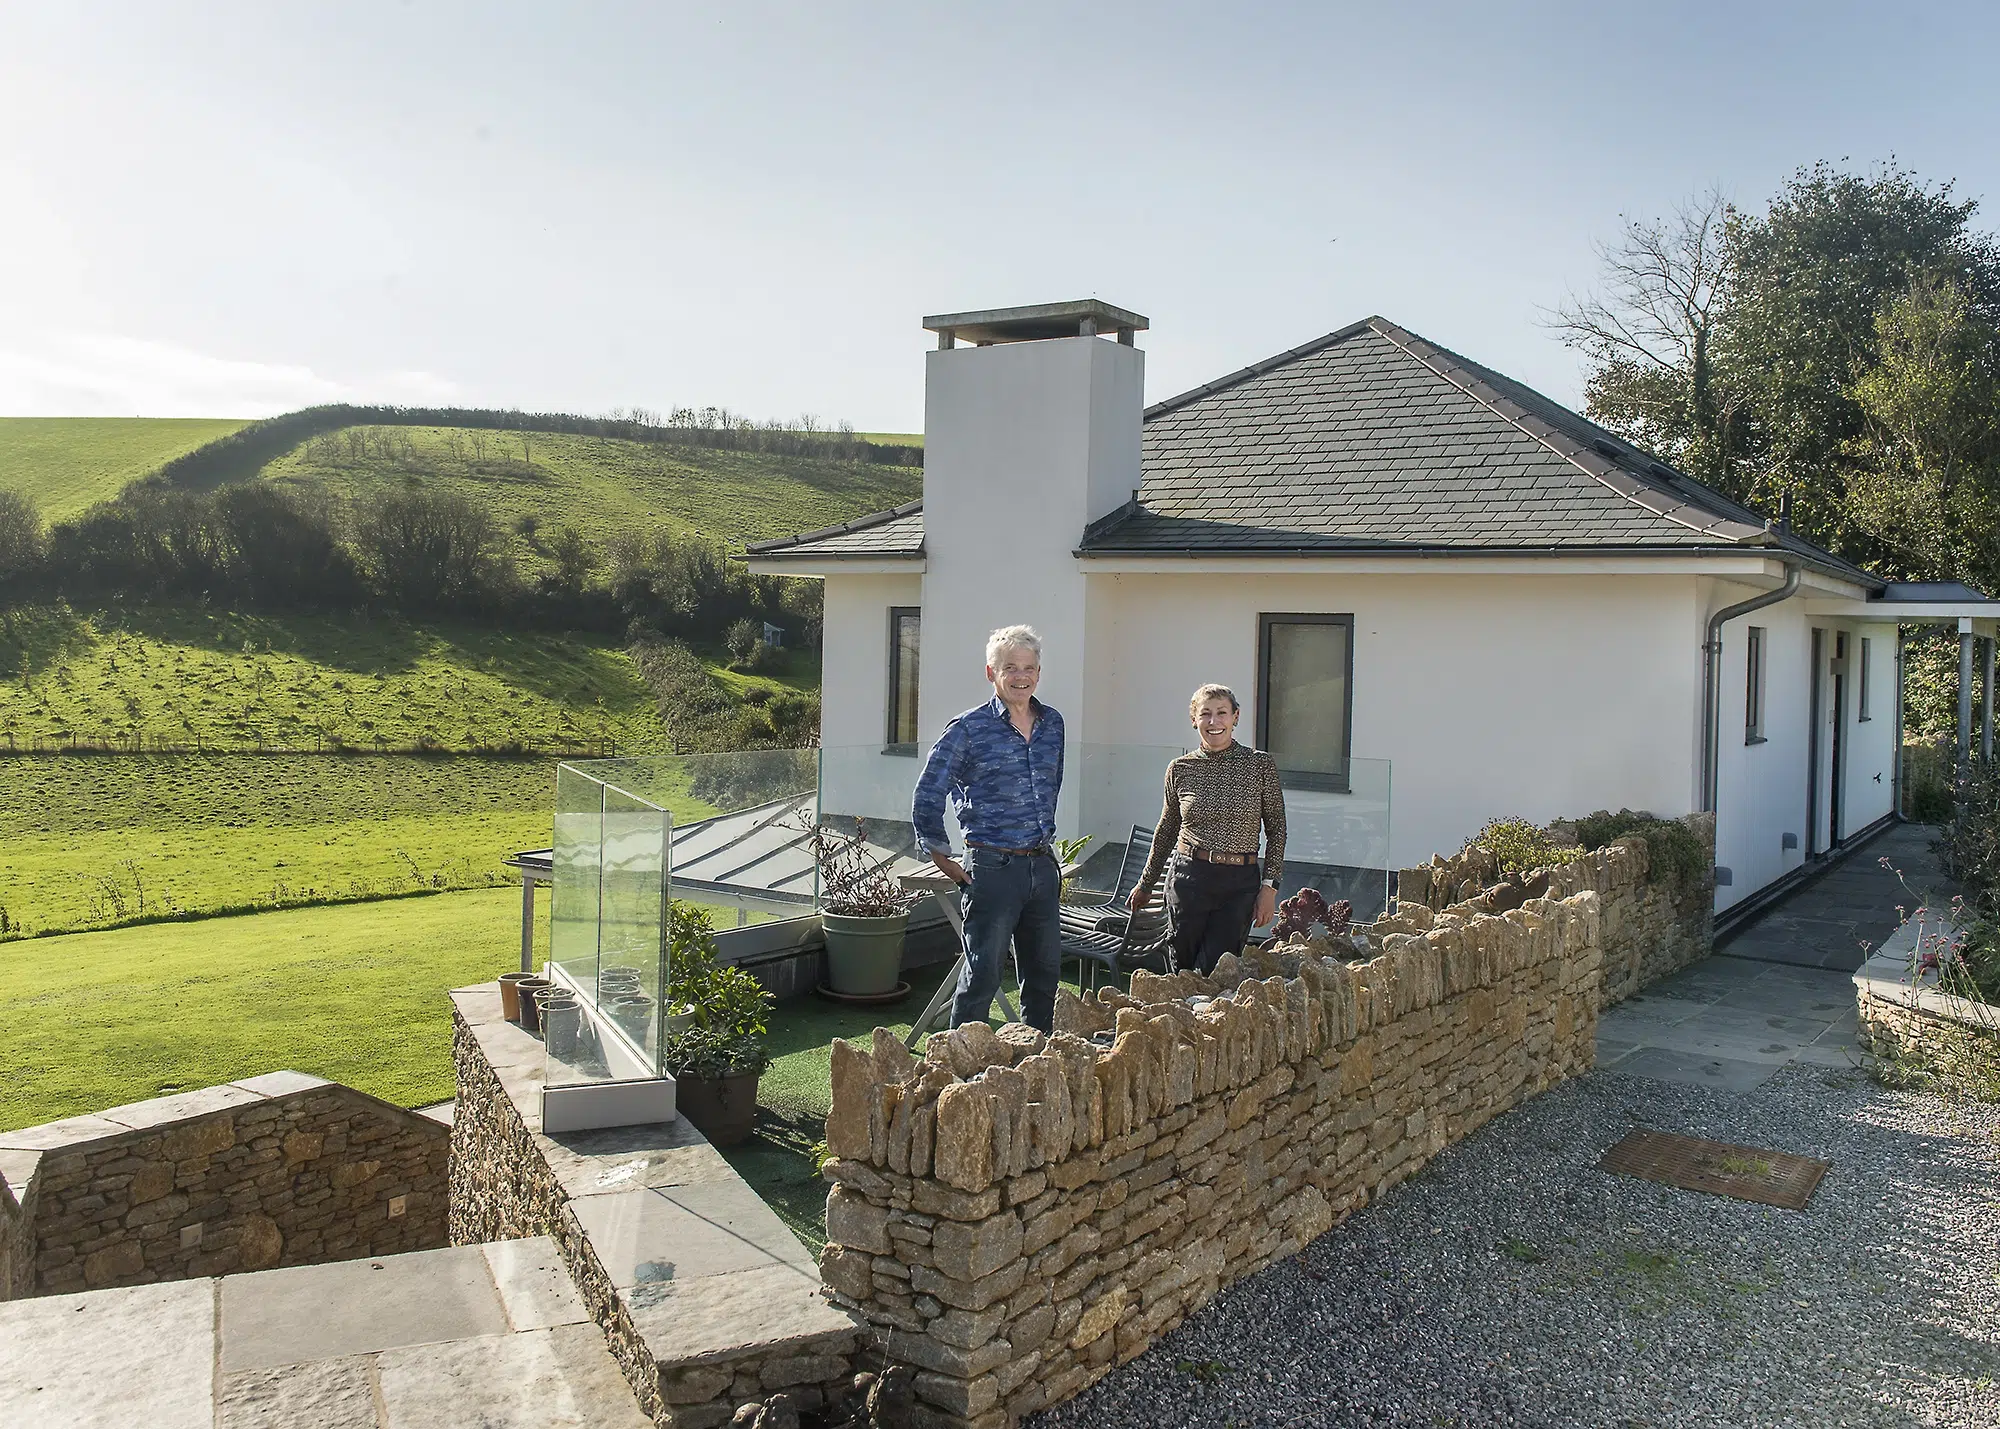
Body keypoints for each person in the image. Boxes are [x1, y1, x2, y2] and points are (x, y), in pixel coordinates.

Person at [911, 625, 1066, 1032]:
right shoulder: (968, 729)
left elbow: (1052, 786)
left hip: (1042, 866)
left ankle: (1036, 1062)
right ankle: (957, 1075)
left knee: (1045, 975)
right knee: (982, 976)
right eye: (1010, 667)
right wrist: (938, 852)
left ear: (1038, 672)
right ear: (991, 672)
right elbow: (930, 788)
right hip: (992, 868)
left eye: (1029, 668)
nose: (1021, 676)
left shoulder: (1053, 725)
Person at [1128, 683, 1287, 975]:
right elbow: (1166, 829)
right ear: (1194, 720)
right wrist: (1146, 883)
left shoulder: (1260, 765)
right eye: (1205, 714)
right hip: (1190, 879)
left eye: (1222, 713)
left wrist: (1270, 888)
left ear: (1235, 717)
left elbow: (1277, 830)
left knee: (1219, 970)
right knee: (1184, 971)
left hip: (1239, 885)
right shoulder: (1180, 768)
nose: (1214, 722)